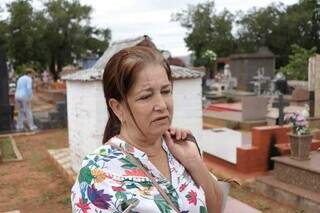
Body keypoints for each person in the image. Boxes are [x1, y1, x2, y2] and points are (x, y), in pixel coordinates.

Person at [71, 45, 223, 212]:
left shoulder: (178, 151)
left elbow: (216, 208)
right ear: (118, 108)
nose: (162, 105)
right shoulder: (96, 175)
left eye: (166, 91)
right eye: (145, 96)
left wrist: (194, 162)